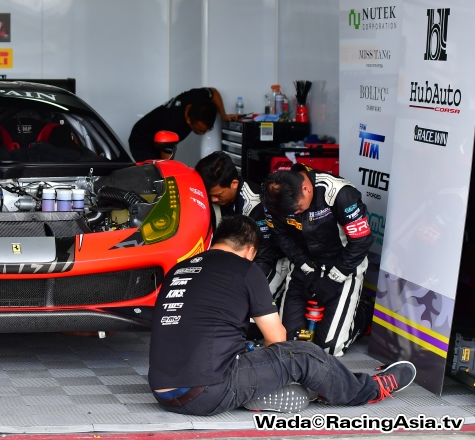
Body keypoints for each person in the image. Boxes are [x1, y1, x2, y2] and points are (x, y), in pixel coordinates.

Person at [148, 214, 416, 416]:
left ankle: (318, 384)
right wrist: (275, 369)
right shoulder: (245, 269)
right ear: (251, 250)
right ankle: (370, 389)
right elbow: (277, 339)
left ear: (216, 240)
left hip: (163, 392)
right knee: (302, 354)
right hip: (206, 393)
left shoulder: (179, 269)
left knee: (248, 344)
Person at [261, 164, 373, 357]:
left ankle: (362, 313)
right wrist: (306, 268)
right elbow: (283, 239)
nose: (294, 214)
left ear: (306, 188)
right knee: (287, 343)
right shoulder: (273, 200)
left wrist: (333, 278)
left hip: (344, 266)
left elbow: (361, 241)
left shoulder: (338, 193)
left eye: (297, 209)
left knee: (330, 348)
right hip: (305, 264)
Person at [195, 151, 289, 300]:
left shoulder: (256, 204)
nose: (213, 199)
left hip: (268, 263)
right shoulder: (203, 199)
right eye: (209, 194)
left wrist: (239, 286)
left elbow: (264, 256)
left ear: (234, 184)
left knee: (250, 302)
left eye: (218, 195)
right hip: (226, 264)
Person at [128, 87, 233, 162]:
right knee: (155, 174)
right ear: (188, 120)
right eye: (200, 130)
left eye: (207, 130)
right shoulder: (172, 126)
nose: (204, 133)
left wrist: (223, 115)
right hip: (141, 140)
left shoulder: (198, 97)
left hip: (159, 133)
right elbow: (167, 164)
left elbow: (213, 92)